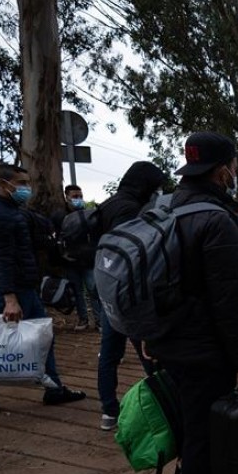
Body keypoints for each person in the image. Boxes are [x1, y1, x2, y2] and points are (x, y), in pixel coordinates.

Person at [144, 131, 238, 474]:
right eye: (232, 166)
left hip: (169, 341)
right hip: (203, 348)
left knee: (190, 426)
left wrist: (148, 334)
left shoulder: (166, 210)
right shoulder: (216, 220)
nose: (234, 173)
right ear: (222, 169)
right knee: (202, 433)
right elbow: (227, 302)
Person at [0, 163, 86, 416]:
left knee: (44, 338)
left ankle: (54, 388)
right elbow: (1, 258)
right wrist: (10, 298)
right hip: (9, 291)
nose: (26, 188)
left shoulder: (13, 211)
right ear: (4, 185)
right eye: (21, 184)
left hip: (23, 288)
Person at [95, 161, 167, 430]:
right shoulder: (131, 210)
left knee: (109, 353)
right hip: (130, 294)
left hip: (108, 289)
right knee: (149, 353)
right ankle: (164, 407)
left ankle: (109, 411)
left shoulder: (108, 204)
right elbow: (136, 256)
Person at [56, 184, 102, 331]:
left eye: (80, 196)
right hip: (70, 261)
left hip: (88, 260)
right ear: (66, 197)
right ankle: (83, 319)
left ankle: (99, 321)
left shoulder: (88, 214)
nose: (79, 199)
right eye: (75, 197)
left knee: (93, 290)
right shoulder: (59, 216)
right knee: (77, 292)